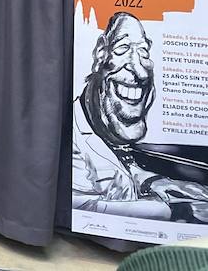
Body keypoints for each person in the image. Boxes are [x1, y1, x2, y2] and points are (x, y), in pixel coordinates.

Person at [72, 13, 208, 220]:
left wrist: (153, 181)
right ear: (101, 53)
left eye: (143, 51)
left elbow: (113, 171)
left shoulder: (101, 123)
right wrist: (176, 211)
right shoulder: (70, 133)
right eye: (123, 48)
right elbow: (83, 209)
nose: (141, 72)